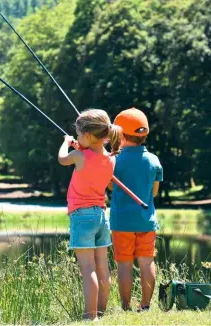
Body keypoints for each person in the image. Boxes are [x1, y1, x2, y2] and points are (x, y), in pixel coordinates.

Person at [58, 109, 121, 320]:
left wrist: (67, 143)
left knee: (87, 268)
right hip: (102, 217)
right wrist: (80, 147)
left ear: (86, 135)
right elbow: (92, 158)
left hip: (81, 216)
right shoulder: (111, 159)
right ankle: (101, 312)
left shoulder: (78, 155)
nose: (75, 137)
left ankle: (90, 316)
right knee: (102, 266)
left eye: (77, 134)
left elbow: (62, 160)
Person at [110, 107, 163, 312]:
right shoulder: (154, 160)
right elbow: (155, 192)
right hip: (146, 220)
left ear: (121, 135)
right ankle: (146, 305)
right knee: (147, 261)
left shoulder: (115, 160)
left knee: (124, 265)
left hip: (121, 222)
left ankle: (125, 307)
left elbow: (110, 186)